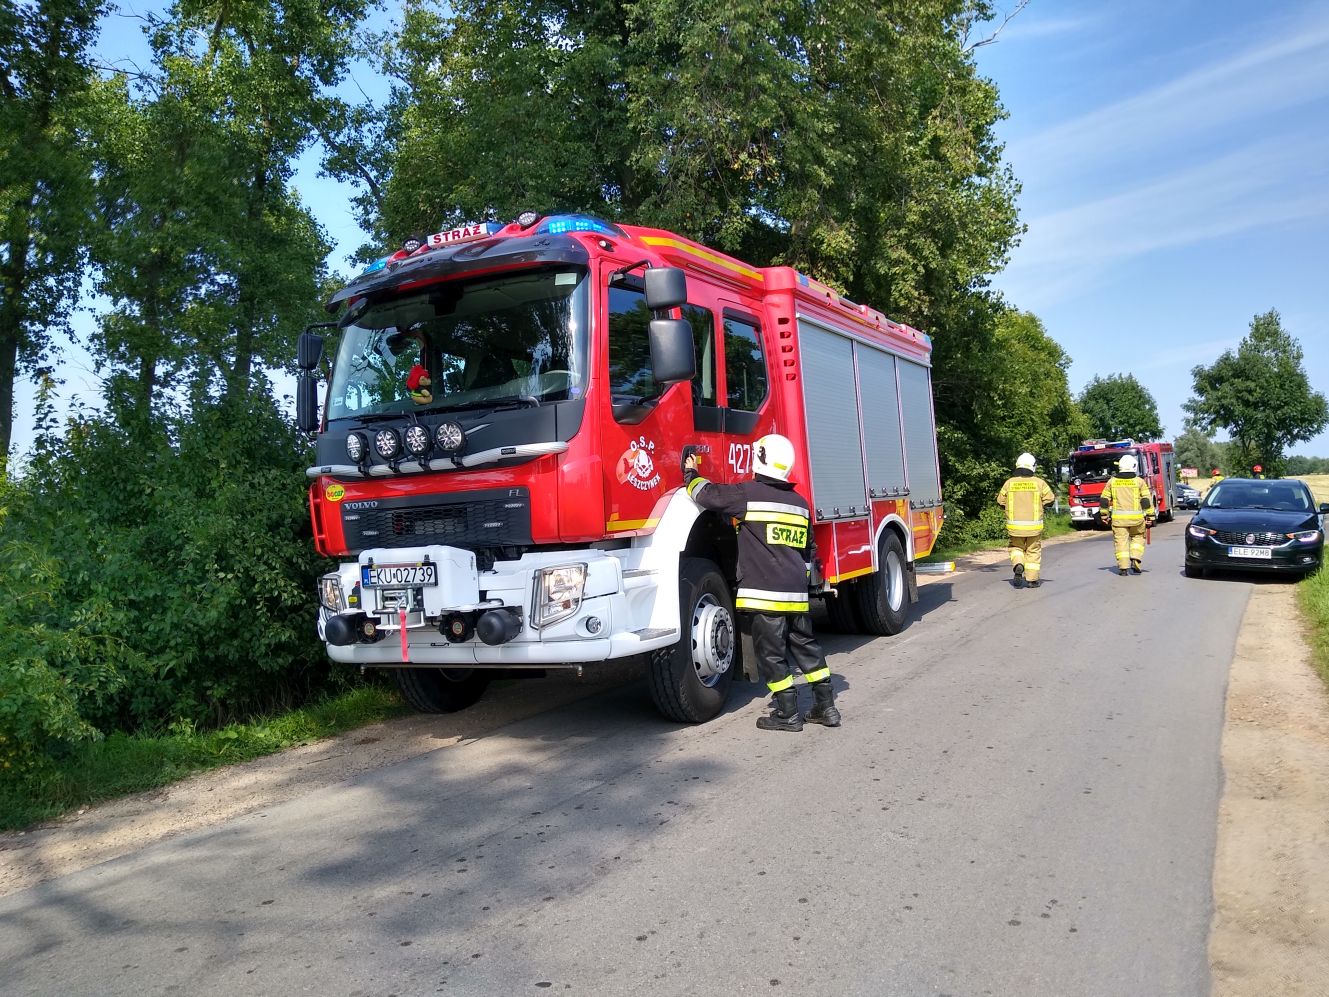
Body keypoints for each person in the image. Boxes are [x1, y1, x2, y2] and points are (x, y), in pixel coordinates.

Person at [684, 434, 839, 732]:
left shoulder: (748, 494)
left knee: (771, 655)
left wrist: (690, 472)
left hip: (764, 595)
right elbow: (808, 551)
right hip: (796, 595)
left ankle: (787, 713)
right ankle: (826, 707)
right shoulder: (800, 504)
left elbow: (707, 495)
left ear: (761, 459)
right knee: (807, 648)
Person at [995, 452, 1056, 589]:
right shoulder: (1039, 483)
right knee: (1033, 551)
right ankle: (1032, 580)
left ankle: (1018, 564)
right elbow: (1050, 500)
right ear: (1033, 466)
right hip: (1034, 528)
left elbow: (1000, 501)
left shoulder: (1009, 483)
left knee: (1016, 548)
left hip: (1015, 528)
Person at [1099, 454, 1154, 576]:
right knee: (1138, 538)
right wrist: (1151, 517)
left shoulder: (1112, 482)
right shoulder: (1139, 482)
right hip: (1137, 520)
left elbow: (1104, 500)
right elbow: (1146, 501)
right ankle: (1135, 558)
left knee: (1121, 542)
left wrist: (1104, 515)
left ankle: (1123, 568)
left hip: (1119, 521)